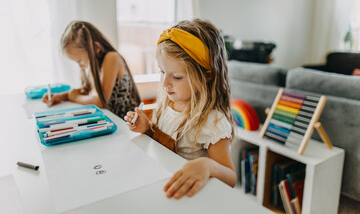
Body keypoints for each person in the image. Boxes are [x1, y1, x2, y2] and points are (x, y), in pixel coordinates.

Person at [124, 19, 236, 199]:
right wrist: (147, 129)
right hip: (162, 184)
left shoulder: (213, 121)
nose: (165, 83)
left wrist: (208, 165)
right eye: (162, 72)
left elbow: (231, 178)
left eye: (176, 77)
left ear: (206, 75)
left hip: (190, 197)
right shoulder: (168, 103)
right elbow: (162, 145)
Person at [43, 21, 140, 119]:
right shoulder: (93, 64)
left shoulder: (112, 58)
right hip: (110, 122)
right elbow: (88, 91)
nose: (80, 66)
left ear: (95, 48)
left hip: (126, 125)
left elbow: (100, 102)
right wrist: (62, 96)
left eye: (80, 60)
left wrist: (74, 97)